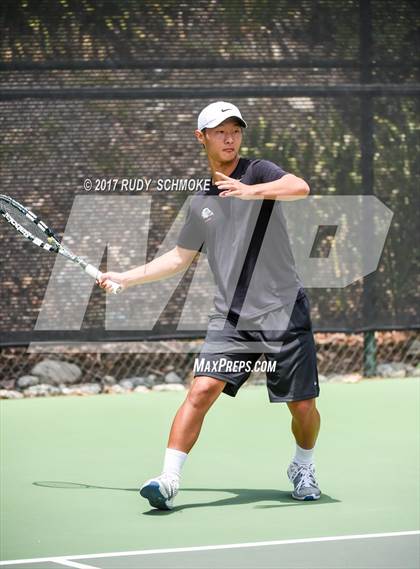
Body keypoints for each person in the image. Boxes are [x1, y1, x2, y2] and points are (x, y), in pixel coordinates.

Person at [99, 101, 321, 510]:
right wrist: (125, 277)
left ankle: (302, 465)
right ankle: (168, 479)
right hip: (232, 317)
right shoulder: (200, 203)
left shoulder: (258, 171)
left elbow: (301, 187)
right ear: (202, 137)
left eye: (235, 129)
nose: (230, 137)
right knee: (201, 389)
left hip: (283, 309)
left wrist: (251, 191)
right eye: (220, 130)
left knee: (302, 405)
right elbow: (179, 258)